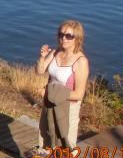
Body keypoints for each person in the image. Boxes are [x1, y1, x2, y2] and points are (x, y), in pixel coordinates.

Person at [36, 19, 90, 150]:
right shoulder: (55, 52)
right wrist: (42, 57)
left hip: (68, 108)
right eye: (61, 34)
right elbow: (40, 71)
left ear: (77, 38)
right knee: (45, 138)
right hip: (49, 104)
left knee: (66, 145)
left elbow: (78, 95)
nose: (63, 38)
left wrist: (49, 92)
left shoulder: (81, 62)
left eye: (69, 36)